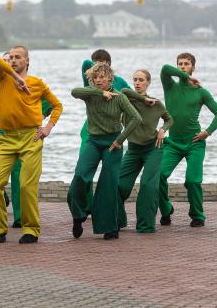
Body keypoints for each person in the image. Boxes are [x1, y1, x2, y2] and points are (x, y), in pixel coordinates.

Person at [0, 46, 63, 244]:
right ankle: (0, 228)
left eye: (18, 57)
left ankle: (31, 230)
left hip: (31, 138)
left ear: (27, 61)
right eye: (11, 57)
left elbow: (57, 106)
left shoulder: (37, 83)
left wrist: (48, 127)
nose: (13, 60)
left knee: (26, 185)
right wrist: (15, 75)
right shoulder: (3, 78)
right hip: (7, 139)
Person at [0, 52, 53, 228]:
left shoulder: (32, 84)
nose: (8, 63)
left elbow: (49, 106)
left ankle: (21, 218)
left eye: (11, 60)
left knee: (20, 178)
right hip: (3, 136)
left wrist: (39, 121)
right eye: (5, 61)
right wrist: (11, 73)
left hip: (27, 136)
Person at [68, 62, 141, 240]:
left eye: (102, 77)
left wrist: (120, 140)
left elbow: (135, 118)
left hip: (112, 143)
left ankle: (110, 227)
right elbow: (75, 92)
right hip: (93, 141)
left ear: (110, 78)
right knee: (80, 175)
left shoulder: (119, 97)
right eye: (95, 78)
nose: (99, 80)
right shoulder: (91, 95)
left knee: (108, 185)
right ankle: (78, 216)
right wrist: (99, 92)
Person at [158, 53, 217, 227]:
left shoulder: (201, 92)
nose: (182, 66)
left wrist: (207, 132)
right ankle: (166, 209)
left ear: (193, 67)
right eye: (180, 64)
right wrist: (186, 77)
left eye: (186, 64)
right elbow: (165, 69)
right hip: (172, 142)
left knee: (192, 181)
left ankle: (197, 215)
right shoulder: (170, 86)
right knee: (158, 176)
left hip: (194, 142)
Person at [117, 70, 174, 233]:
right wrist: (143, 99)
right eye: (135, 80)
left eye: (141, 80)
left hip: (153, 148)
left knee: (148, 186)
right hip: (133, 150)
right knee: (118, 185)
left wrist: (163, 129)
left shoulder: (156, 104)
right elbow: (123, 91)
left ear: (148, 82)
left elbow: (170, 118)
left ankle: (145, 226)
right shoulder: (127, 100)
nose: (137, 83)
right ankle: (118, 221)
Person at [77, 49, 131, 219]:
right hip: (90, 132)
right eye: (96, 62)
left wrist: (145, 99)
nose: (99, 65)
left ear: (110, 65)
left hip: (111, 131)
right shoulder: (90, 79)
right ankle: (87, 207)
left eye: (104, 62)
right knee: (83, 173)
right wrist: (96, 70)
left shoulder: (119, 81)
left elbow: (131, 96)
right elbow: (86, 64)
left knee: (110, 178)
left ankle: (116, 215)